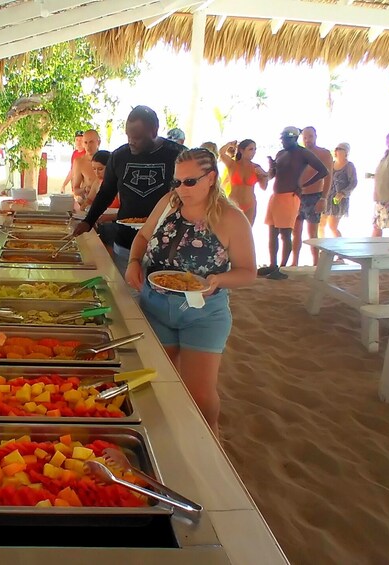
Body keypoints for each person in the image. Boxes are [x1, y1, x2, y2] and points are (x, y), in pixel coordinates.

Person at [124, 148, 255, 433]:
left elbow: (248, 271)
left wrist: (217, 281)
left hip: (204, 312)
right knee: (155, 380)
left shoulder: (231, 217)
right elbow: (144, 236)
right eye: (177, 182)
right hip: (155, 305)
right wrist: (134, 261)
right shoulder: (169, 203)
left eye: (190, 182)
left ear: (210, 178)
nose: (182, 189)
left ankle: (210, 442)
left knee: (200, 394)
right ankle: (161, 437)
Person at [73, 106, 185, 275]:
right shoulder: (119, 156)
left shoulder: (177, 155)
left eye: (137, 138)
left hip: (166, 246)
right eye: (128, 136)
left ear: (154, 132)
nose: (131, 141)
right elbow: (106, 192)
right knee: (127, 295)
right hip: (126, 243)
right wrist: (88, 221)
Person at [259, 127, 329, 280]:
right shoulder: (281, 153)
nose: (283, 141)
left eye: (286, 138)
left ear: (294, 138)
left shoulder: (302, 153)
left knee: (285, 234)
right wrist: (272, 167)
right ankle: (273, 265)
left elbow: (323, 171)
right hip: (276, 196)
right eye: (282, 138)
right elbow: (273, 175)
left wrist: (304, 185)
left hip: (289, 197)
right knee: (272, 233)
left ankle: (283, 268)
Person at [292, 126, 334, 267]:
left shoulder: (324, 153)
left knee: (313, 233)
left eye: (310, 136)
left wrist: (324, 198)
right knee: (296, 232)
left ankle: (316, 263)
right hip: (297, 196)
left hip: (314, 196)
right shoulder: (298, 153)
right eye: (305, 137)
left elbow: (328, 177)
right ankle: (294, 262)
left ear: (316, 136)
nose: (307, 140)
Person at [219, 139, 269, 225]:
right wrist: (230, 144)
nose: (254, 152)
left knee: (247, 233)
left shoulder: (256, 167)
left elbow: (263, 187)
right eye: (250, 149)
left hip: (250, 204)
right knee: (230, 231)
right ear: (241, 150)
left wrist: (264, 175)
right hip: (233, 204)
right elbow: (221, 152)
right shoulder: (232, 164)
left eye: (255, 149)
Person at [322, 142, 358, 238]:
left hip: (339, 200)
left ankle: (339, 246)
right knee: (321, 224)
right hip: (327, 198)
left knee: (332, 226)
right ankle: (320, 247)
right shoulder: (331, 164)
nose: (336, 151)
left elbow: (353, 183)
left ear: (346, 152)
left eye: (339, 149)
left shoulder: (349, 166)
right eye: (336, 149)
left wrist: (343, 193)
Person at [71, 129, 102, 205]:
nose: (88, 146)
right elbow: (75, 190)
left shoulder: (108, 160)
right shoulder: (79, 162)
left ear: (98, 142)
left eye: (91, 142)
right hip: (87, 204)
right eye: (85, 142)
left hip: (105, 204)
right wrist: (85, 189)